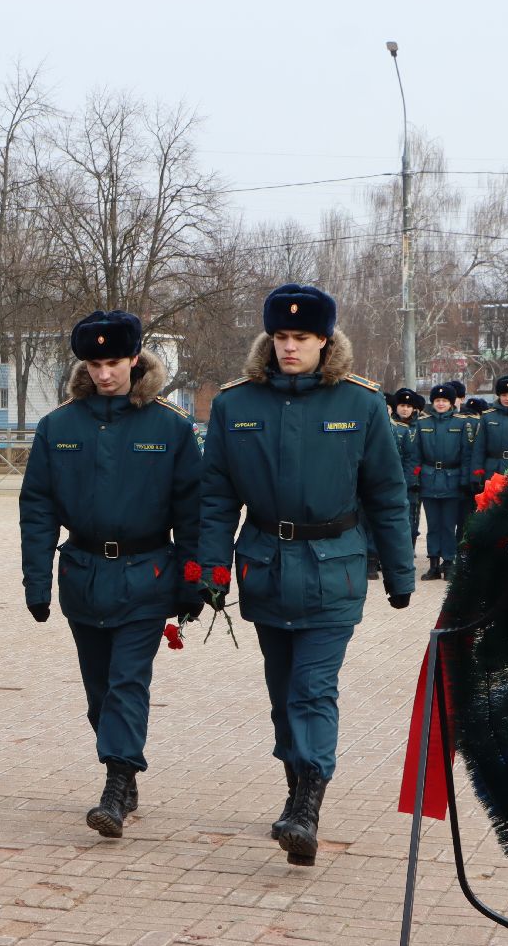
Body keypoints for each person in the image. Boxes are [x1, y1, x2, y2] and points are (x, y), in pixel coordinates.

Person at [198, 284, 414, 867]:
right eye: (282, 337)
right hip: (266, 566)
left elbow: (387, 494)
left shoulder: (360, 404)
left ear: (325, 340)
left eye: (303, 338)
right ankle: (296, 786)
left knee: (313, 689)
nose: (291, 348)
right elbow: (215, 497)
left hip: (333, 569)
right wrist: (212, 569)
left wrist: (399, 571)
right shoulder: (235, 405)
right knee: (281, 692)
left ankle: (308, 804)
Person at [20, 311, 202, 837]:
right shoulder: (60, 426)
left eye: (114, 362)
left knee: (127, 682)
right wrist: (36, 583)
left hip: (147, 573)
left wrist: (194, 579)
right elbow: (36, 509)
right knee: (99, 690)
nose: (104, 374)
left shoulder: (170, 426)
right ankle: (122, 765)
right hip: (83, 574)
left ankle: (117, 784)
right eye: (95, 363)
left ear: (135, 360)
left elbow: (192, 510)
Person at [412, 383, 470, 581]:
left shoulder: (462, 423)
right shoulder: (422, 423)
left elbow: (466, 454)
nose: (441, 404)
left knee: (449, 525)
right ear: (433, 402)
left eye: (445, 401)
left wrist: (464, 480)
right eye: (437, 400)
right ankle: (434, 565)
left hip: (452, 478)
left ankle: (449, 563)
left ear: (451, 403)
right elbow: (415, 454)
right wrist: (415, 478)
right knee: (433, 525)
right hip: (429, 478)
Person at [389, 388, 422, 551]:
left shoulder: (420, 425)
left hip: (415, 479)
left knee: (412, 516)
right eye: (402, 405)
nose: (405, 409)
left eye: (408, 406)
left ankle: (410, 547)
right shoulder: (389, 424)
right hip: (393, 477)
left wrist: (414, 477)